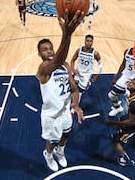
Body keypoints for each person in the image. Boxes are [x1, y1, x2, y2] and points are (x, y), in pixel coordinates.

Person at [37, 10, 85, 172]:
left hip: (65, 111)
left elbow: (74, 88)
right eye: (45, 49)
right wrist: (67, 34)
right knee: (53, 140)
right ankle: (48, 154)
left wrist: (76, 104)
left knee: (66, 135)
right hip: (51, 115)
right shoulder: (44, 69)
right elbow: (56, 60)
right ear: (39, 54)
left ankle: (60, 152)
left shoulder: (64, 65)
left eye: (50, 48)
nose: (49, 51)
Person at [105, 77, 135, 166]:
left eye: (134, 84)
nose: (130, 84)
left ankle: (124, 159)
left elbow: (131, 122)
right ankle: (129, 136)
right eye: (131, 82)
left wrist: (113, 123)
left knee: (114, 140)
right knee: (122, 119)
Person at [108, 37, 135, 117]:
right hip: (125, 77)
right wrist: (116, 77)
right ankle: (118, 107)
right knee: (111, 95)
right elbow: (123, 64)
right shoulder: (127, 51)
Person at [70, 34, 102, 106]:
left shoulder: (95, 53)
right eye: (87, 41)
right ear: (84, 41)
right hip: (78, 73)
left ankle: (74, 106)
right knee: (73, 88)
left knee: (80, 91)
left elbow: (100, 64)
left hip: (86, 75)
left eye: (90, 41)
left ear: (92, 42)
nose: (89, 42)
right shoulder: (79, 50)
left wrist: (97, 75)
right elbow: (72, 60)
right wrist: (73, 69)